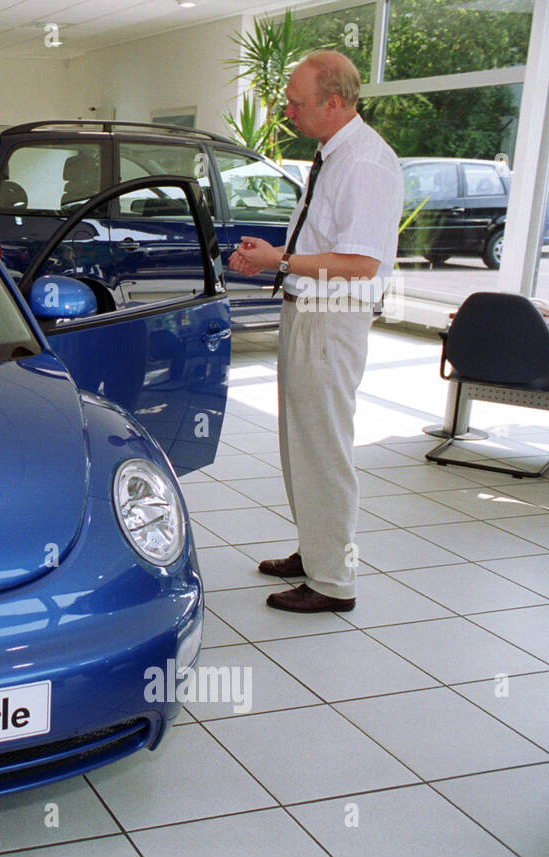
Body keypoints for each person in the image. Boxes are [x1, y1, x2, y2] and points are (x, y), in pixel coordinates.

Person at [228, 50, 403, 613]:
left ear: (334, 102)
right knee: (300, 444)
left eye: (297, 103)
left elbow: (360, 264)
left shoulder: (366, 164)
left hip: (333, 317)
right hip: (308, 312)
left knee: (324, 450)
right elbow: (325, 243)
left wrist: (280, 259)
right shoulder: (333, 156)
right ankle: (316, 551)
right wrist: (279, 259)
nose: (287, 111)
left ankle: (334, 583)